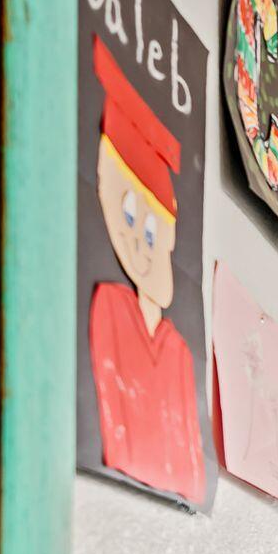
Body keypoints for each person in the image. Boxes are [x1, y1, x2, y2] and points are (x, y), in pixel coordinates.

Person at [88, 36, 204, 505]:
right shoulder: (111, 309)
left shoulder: (178, 349)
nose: (137, 243)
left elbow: (193, 470)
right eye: (128, 220)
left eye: (152, 231)